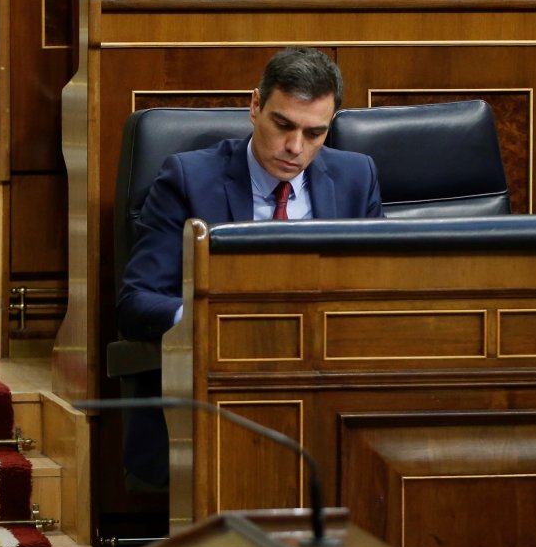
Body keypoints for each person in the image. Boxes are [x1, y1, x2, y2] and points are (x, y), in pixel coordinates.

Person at [115, 46, 383, 488]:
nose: (295, 148)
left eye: (315, 133)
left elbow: (376, 293)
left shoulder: (358, 177)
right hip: (224, 382)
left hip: (324, 382)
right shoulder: (188, 178)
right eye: (283, 125)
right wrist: (208, 320)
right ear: (255, 106)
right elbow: (136, 302)